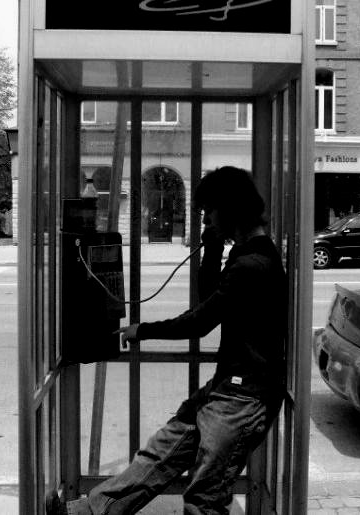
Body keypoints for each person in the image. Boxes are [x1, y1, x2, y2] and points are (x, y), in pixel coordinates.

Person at [47, 166, 287, 515]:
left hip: (243, 398)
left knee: (204, 499)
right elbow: (210, 300)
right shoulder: (247, 255)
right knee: (158, 457)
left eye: (209, 211)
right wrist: (211, 251)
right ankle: (85, 512)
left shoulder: (254, 264)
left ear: (229, 208)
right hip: (226, 388)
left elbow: (200, 322)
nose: (205, 219)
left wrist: (140, 330)